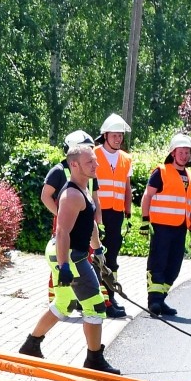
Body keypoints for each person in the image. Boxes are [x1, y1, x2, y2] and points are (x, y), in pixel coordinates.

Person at [19, 143, 119, 372]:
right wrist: (64, 266)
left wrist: (99, 248)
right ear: (74, 165)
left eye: (95, 160)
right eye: (89, 162)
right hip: (70, 255)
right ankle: (94, 360)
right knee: (95, 306)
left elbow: (90, 223)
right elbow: (62, 232)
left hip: (68, 252)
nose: (96, 165)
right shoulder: (72, 194)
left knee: (63, 303)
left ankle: (31, 344)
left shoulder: (84, 188)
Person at [40, 130, 123, 318]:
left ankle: (97, 302)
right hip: (67, 224)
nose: (93, 158)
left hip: (87, 222)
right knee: (62, 266)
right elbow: (45, 196)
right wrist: (61, 214)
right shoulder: (60, 170)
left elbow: (94, 198)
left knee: (90, 265)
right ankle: (74, 302)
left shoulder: (89, 172)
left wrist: (97, 222)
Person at [141, 133, 191, 317]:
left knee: (174, 266)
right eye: (181, 152)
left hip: (180, 228)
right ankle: (154, 302)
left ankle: (161, 298)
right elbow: (147, 196)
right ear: (173, 153)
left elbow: (189, 204)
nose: (185, 156)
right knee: (158, 263)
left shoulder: (190, 176)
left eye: (187, 152)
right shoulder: (161, 172)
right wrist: (144, 220)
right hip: (161, 227)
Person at [92, 114, 134, 316]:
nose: (118, 139)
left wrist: (128, 212)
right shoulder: (93, 155)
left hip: (116, 215)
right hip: (96, 213)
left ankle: (110, 296)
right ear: (105, 135)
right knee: (95, 257)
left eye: (121, 135)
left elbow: (127, 187)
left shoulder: (126, 159)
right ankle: (97, 299)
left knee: (112, 258)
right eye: (115, 135)